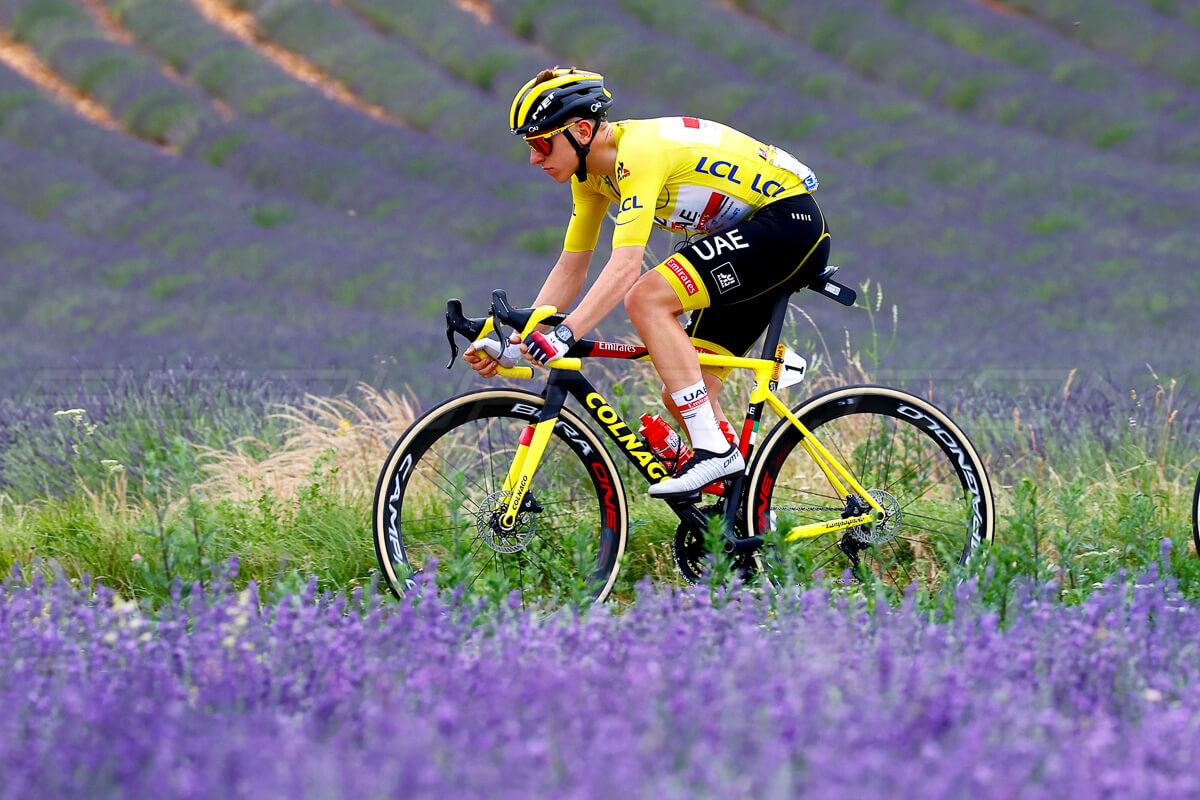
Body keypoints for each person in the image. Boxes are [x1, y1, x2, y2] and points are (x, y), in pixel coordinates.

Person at [464, 67, 830, 497]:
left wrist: (564, 334)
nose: (534, 157)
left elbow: (625, 268)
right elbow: (571, 268)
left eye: (542, 142)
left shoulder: (637, 154)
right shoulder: (591, 178)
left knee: (646, 298)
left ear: (582, 130)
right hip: (751, 241)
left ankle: (715, 453)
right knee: (684, 396)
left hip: (788, 224)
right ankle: (742, 518)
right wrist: (519, 340)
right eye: (530, 145)